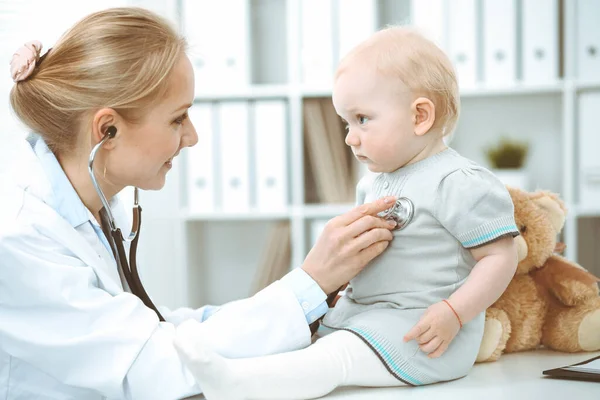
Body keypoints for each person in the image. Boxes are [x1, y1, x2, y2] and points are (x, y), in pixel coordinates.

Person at [0, 7, 399, 400]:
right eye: (177, 119)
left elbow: (160, 330)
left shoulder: (90, 204)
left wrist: (311, 297)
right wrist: (308, 284)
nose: (191, 137)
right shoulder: (19, 237)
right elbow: (149, 367)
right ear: (108, 129)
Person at [173, 26, 521, 400]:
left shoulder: (459, 181)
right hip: (367, 316)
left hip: (422, 332)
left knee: (337, 359)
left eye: (362, 119)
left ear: (420, 116)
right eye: (346, 123)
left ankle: (239, 386)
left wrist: (454, 313)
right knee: (307, 342)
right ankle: (237, 370)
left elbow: (502, 257)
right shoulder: (375, 183)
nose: (349, 137)